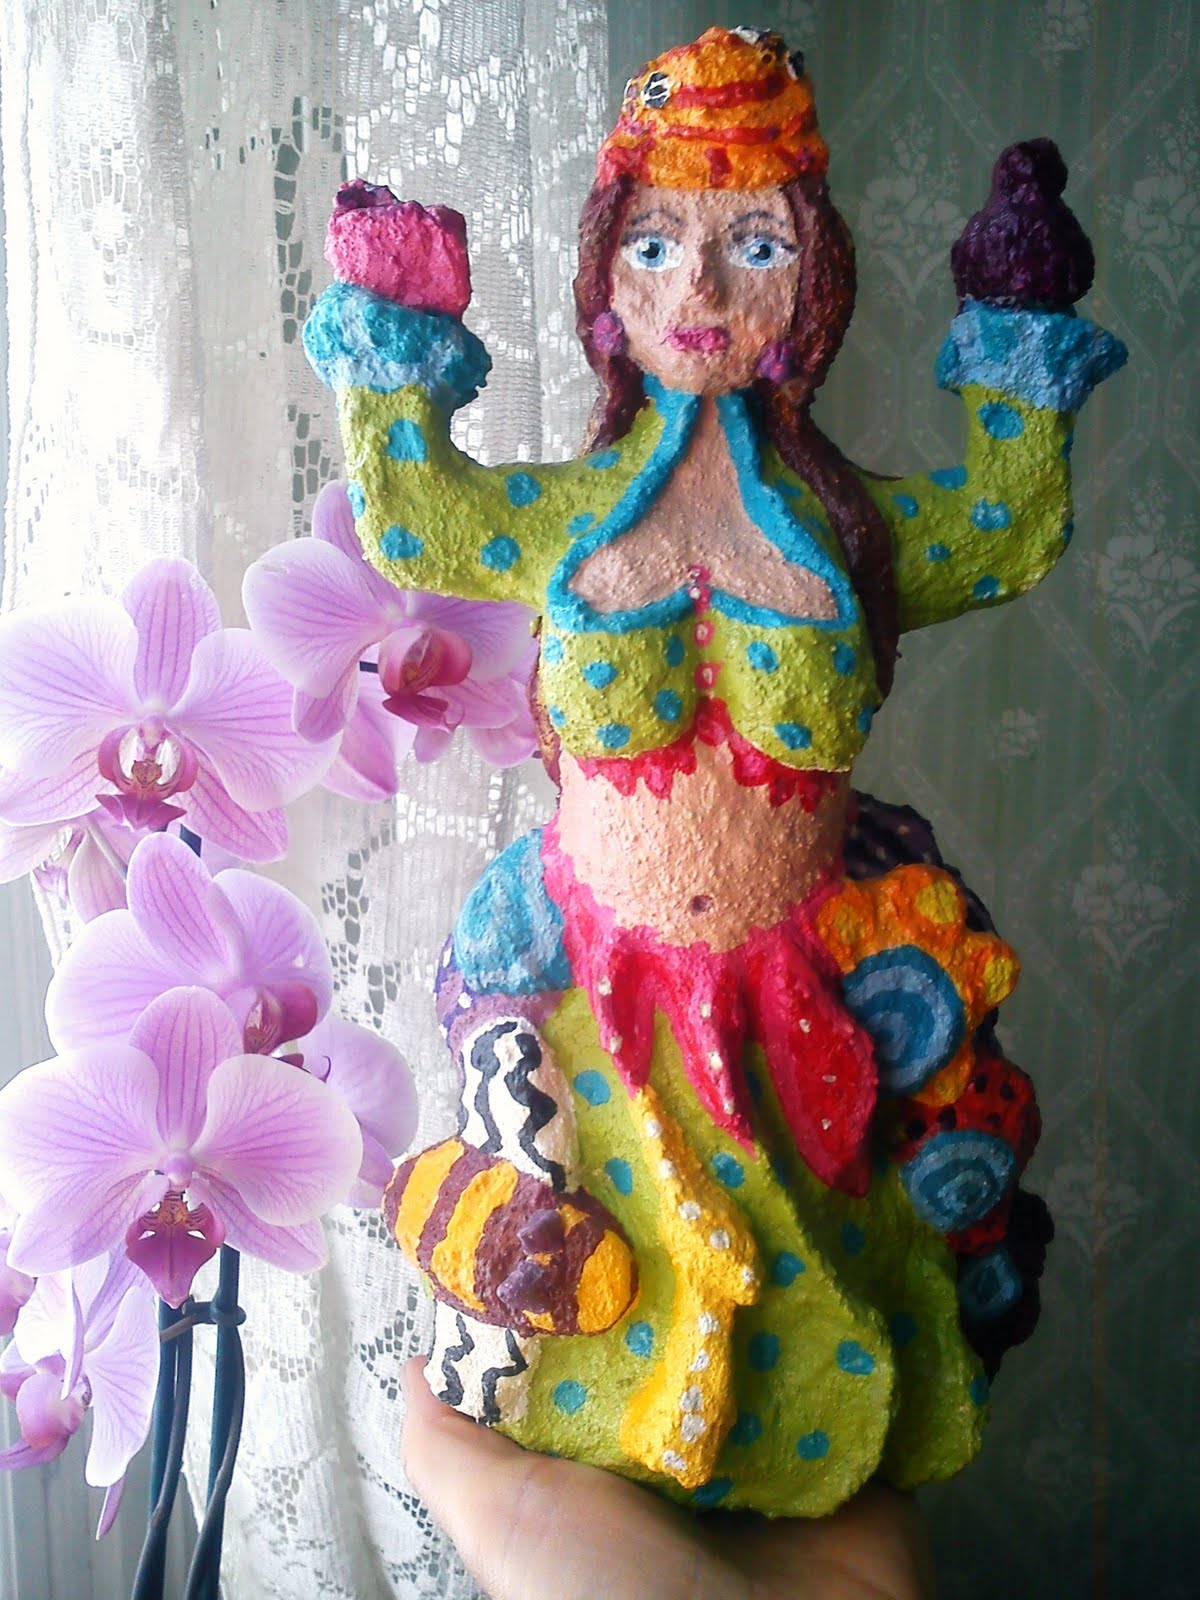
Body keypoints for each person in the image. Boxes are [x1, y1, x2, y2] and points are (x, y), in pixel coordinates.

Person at [305, 23, 1121, 1525]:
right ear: (604, 280)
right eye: (655, 243)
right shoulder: (572, 515)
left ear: (814, 281)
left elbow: (1011, 525)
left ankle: (812, 1429)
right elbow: (416, 519)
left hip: (804, 998)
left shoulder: (851, 531)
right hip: (595, 984)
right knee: (584, 1268)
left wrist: (1022, 330)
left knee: (825, 1282)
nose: (699, 290)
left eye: (752, 245)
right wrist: (389, 333)